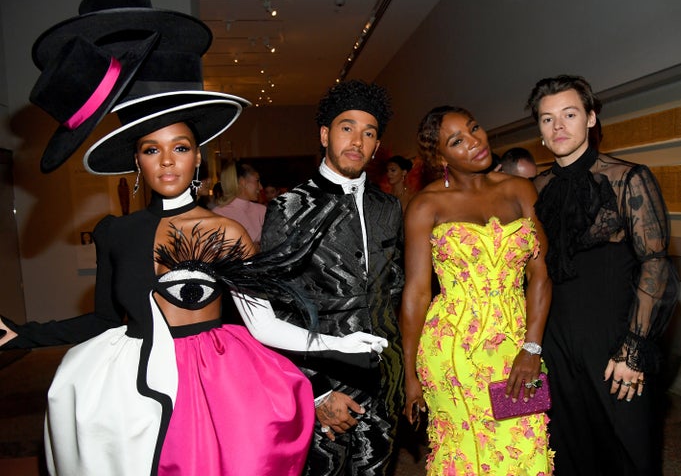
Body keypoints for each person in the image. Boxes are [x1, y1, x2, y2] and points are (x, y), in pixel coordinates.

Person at [2, 88, 393, 475]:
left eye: (181, 148)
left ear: (198, 156)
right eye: (152, 149)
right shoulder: (114, 233)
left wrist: (339, 343)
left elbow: (264, 324)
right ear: (137, 160)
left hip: (212, 382)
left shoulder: (225, 232)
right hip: (131, 384)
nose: (168, 161)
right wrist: (23, 334)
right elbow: (104, 319)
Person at [526, 74, 678, 475]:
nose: (558, 127)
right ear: (539, 131)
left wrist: (633, 347)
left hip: (613, 342)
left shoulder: (629, 178)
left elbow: (657, 263)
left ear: (591, 119)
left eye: (569, 114)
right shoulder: (534, 189)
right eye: (547, 119)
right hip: (554, 346)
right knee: (565, 449)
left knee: (627, 447)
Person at [261, 79, 405, 476]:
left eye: (369, 132)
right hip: (325, 380)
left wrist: (402, 372)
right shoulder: (288, 207)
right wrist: (317, 389)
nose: (357, 140)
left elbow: (396, 289)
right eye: (347, 128)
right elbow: (275, 311)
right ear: (325, 135)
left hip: (383, 381)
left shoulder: (388, 207)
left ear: (377, 146)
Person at [400, 105, 553, 475]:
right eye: (457, 141)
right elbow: (417, 293)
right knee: (467, 455)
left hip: (517, 342)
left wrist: (531, 347)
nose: (475, 142)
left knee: (524, 445)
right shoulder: (426, 205)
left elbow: (541, 275)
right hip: (453, 352)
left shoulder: (520, 189)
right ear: (440, 157)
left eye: (474, 129)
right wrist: (410, 374)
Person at [213, 161, 266, 251]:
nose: (260, 187)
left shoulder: (262, 210)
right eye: (257, 181)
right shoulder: (218, 214)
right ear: (242, 182)